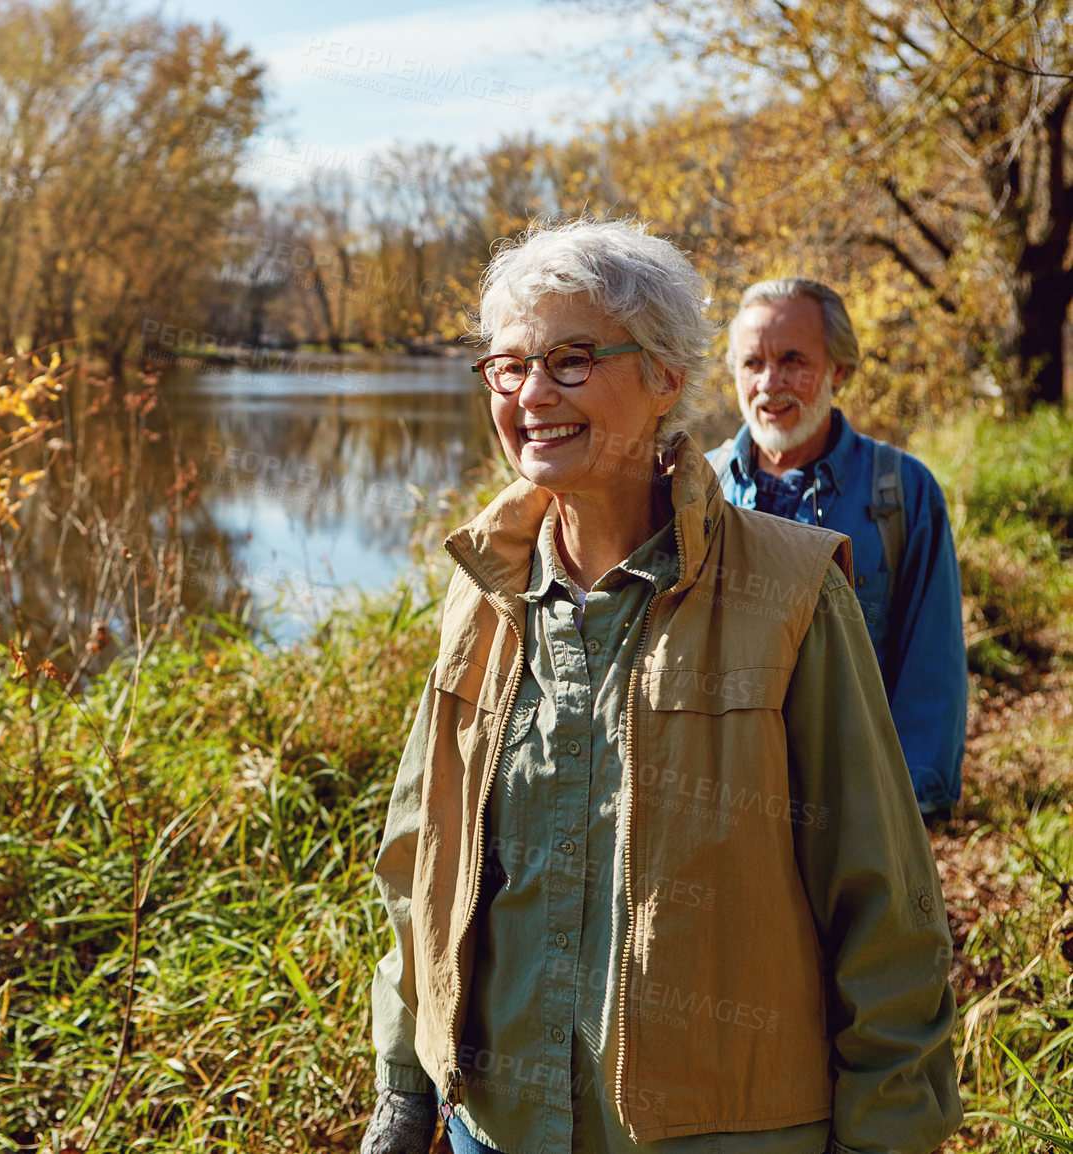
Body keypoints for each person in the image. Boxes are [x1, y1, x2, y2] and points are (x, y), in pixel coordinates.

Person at [360, 220, 960, 1154]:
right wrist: (405, 1078)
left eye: (568, 359)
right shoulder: (484, 589)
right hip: (499, 1127)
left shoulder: (794, 590)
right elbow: (421, 856)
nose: (530, 394)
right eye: (508, 367)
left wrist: (887, 1131)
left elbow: (883, 899)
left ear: (667, 378)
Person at [707, 279, 965, 814]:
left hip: (855, 811)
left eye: (793, 360)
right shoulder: (694, 491)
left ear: (838, 370)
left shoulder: (903, 491)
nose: (770, 383)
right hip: (724, 814)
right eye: (752, 364)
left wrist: (905, 814)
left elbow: (932, 665)